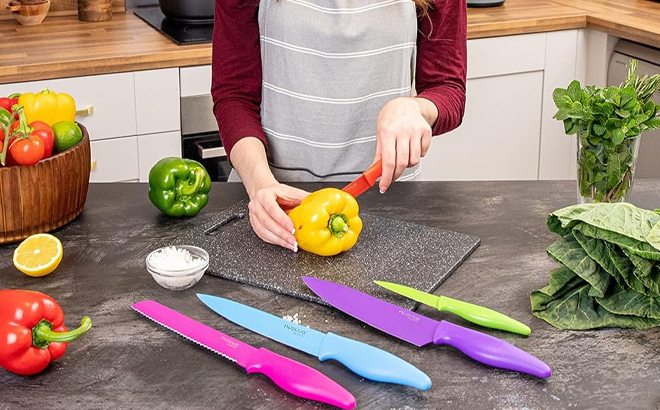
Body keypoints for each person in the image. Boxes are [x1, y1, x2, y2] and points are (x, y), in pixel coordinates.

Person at [212, 0, 467, 252]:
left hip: (392, 205)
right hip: (277, 208)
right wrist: (260, 185)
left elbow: (448, 86)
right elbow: (233, 95)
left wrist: (417, 108)